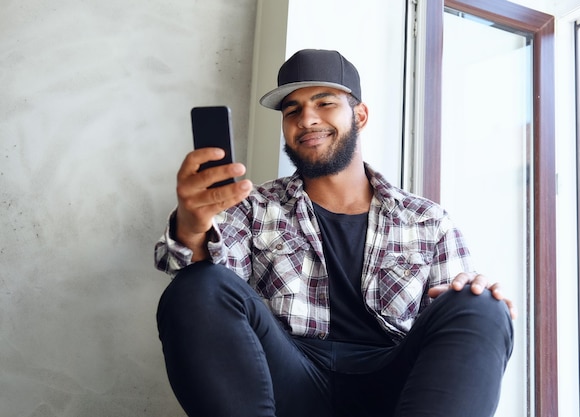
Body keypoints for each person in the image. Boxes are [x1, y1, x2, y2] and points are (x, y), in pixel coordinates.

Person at [155, 49, 515, 417]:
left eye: (325, 103)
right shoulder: (253, 206)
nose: (307, 119)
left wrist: (473, 296)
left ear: (359, 115)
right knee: (197, 284)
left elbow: (452, 328)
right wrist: (193, 226)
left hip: (395, 383)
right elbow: (207, 291)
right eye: (292, 110)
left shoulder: (427, 220)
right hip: (290, 376)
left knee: (483, 303)